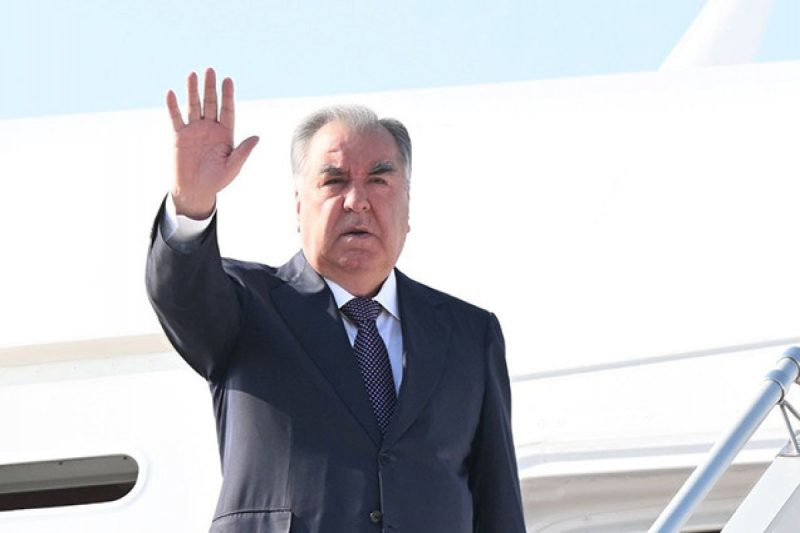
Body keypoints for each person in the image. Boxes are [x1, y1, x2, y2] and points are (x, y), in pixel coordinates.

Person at [146, 67, 526, 533]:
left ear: (408, 205)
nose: (356, 201)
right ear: (298, 206)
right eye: (334, 181)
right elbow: (182, 294)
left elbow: (497, 505)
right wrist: (191, 204)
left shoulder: (469, 335)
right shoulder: (247, 306)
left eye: (379, 181)